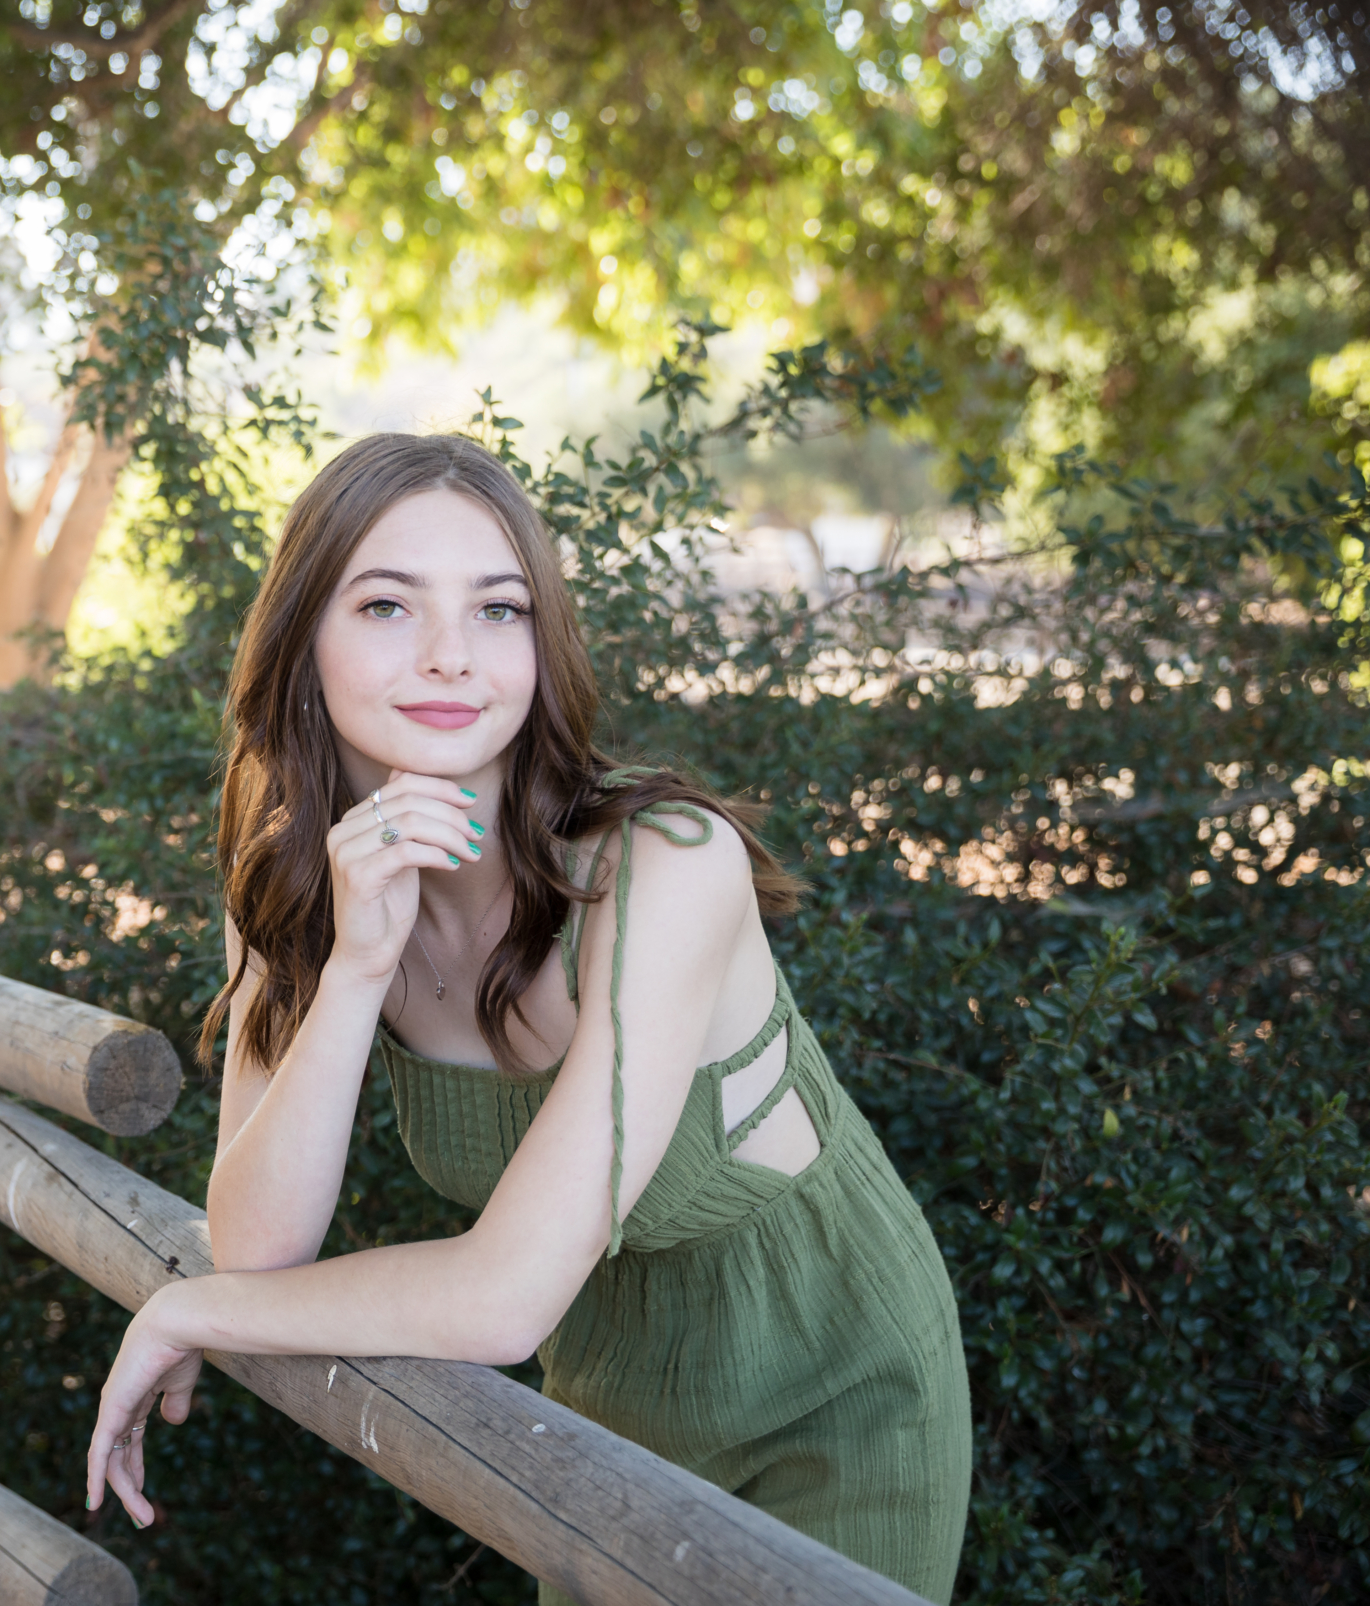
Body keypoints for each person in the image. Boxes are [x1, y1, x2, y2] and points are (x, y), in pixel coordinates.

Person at [82, 433, 970, 1603]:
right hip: (606, 1392)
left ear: (539, 650)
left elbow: (499, 1299)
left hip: (833, 1390)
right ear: (302, 644)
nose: (452, 656)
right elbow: (260, 1247)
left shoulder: (665, 866)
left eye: (498, 611)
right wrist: (354, 968)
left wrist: (187, 1306)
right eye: (389, 605)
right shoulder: (293, 890)